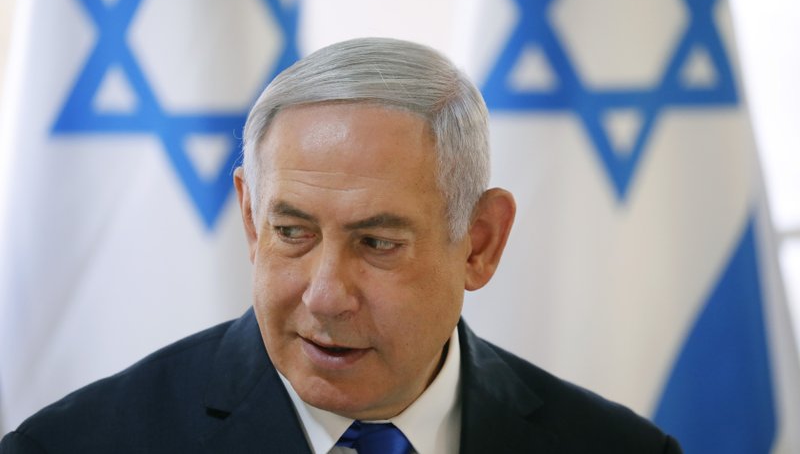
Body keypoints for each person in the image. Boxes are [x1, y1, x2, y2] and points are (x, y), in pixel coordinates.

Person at [0, 38, 682, 453]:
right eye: (292, 232)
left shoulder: (618, 449)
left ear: (479, 242)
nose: (324, 294)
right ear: (248, 217)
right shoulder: (71, 447)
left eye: (378, 242)